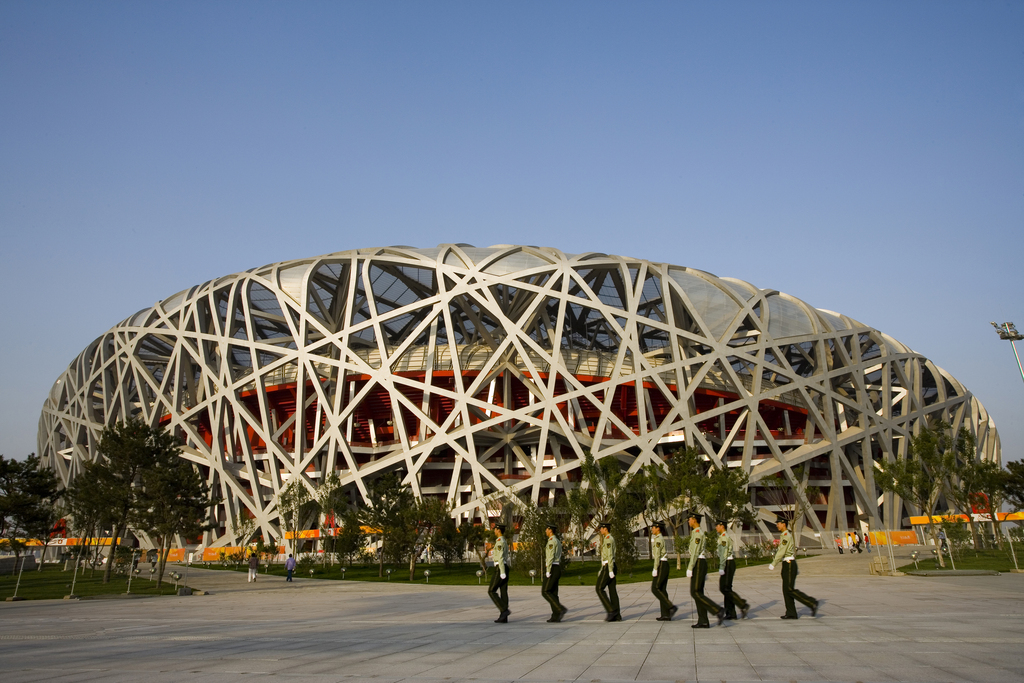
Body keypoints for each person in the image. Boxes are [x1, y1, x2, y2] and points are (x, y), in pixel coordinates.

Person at [769, 515, 818, 619]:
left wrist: (774, 563)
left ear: (783, 524)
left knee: (790, 589)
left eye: (778, 523)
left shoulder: (786, 536)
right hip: (787, 564)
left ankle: (811, 602)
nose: (777, 525)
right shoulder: (784, 535)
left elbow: (782, 551)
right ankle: (791, 612)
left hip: (789, 564)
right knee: (786, 590)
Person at [686, 512, 724, 628]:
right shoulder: (695, 532)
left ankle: (717, 609)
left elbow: (696, 552)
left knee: (695, 592)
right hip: (699, 563)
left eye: (689, 519)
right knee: (699, 592)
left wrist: (689, 567)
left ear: (694, 520)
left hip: (698, 562)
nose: (688, 521)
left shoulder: (697, 534)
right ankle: (703, 620)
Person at [716, 520, 749, 619]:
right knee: (726, 589)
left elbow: (724, 553)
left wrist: (722, 567)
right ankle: (731, 613)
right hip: (728, 563)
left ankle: (742, 605)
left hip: (728, 563)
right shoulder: (722, 537)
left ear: (722, 526)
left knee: (724, 588)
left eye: (717, 525)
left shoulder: (724, 538)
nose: (716, 528)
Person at [649, 521, 676, 621]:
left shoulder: (658, 540)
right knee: (662, 589)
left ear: (658, 528)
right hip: (664, 564)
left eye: (653, 527)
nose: (652, 529)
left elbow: (657, 556)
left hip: (661, 564)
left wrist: (655, 568)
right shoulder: (658, 538)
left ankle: (670, 606)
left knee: (655, 588)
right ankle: (666, 614)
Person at [541, 525, 568, 622]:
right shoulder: (556, 540)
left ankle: (560, 608)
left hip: (552, 567)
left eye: (546, 529)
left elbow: (550, 556)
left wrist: (548, 570)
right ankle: (556, 615)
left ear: (550, 530)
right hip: (557, 567)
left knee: (545, 591)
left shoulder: (552, 541)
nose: (545, 531)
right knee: (553, 592)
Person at [596, 522, 621, 621]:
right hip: (609, 566)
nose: (600, 530)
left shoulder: (608, 539)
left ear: (605, 529)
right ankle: (617, 615)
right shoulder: (608, 539)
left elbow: (609, 555)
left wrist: (609, 569)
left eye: (601, 528)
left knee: (599, 588)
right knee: (612, 590)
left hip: (609, 566)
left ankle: (611, 611)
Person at [488, 524, 510, 623]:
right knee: (503, 591)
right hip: (504, 567)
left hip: (500, 567)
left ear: (498, 530)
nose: (494, 531)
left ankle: (504, 610)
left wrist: (501, 571)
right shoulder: (502, 540)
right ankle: (503, 617)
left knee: (491, 590)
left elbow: (500, 557)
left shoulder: (500, 541)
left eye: (495, 529)